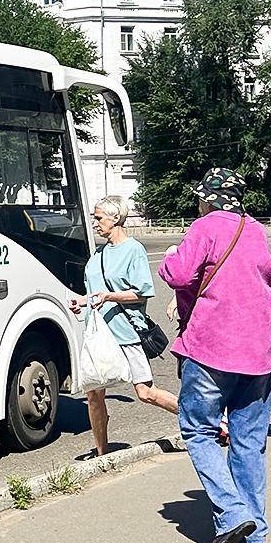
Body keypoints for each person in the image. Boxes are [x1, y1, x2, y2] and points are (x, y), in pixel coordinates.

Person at [158, 168, 271, 543]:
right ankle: (256, 537)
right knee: (249, 444)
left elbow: (178, 274)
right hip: (258, 353)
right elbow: (266, 277)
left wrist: (170, 257)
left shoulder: (204, 226)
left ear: (207, 199)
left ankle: (231, 513)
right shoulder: (256, 229)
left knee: (198, 431)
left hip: (213, 348)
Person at [70, 195, 177, 461]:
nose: (95, 224)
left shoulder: (133, 250)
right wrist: (82, 301)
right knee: (94, 394)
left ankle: (206, 424)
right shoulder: (98, 254)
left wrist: (108, 296)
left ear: (115, 218)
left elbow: (141, 293)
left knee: (145, 392)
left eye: (98, 218)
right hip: (98, 334)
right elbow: (94, 292)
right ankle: (102, 453)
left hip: (126, 332)